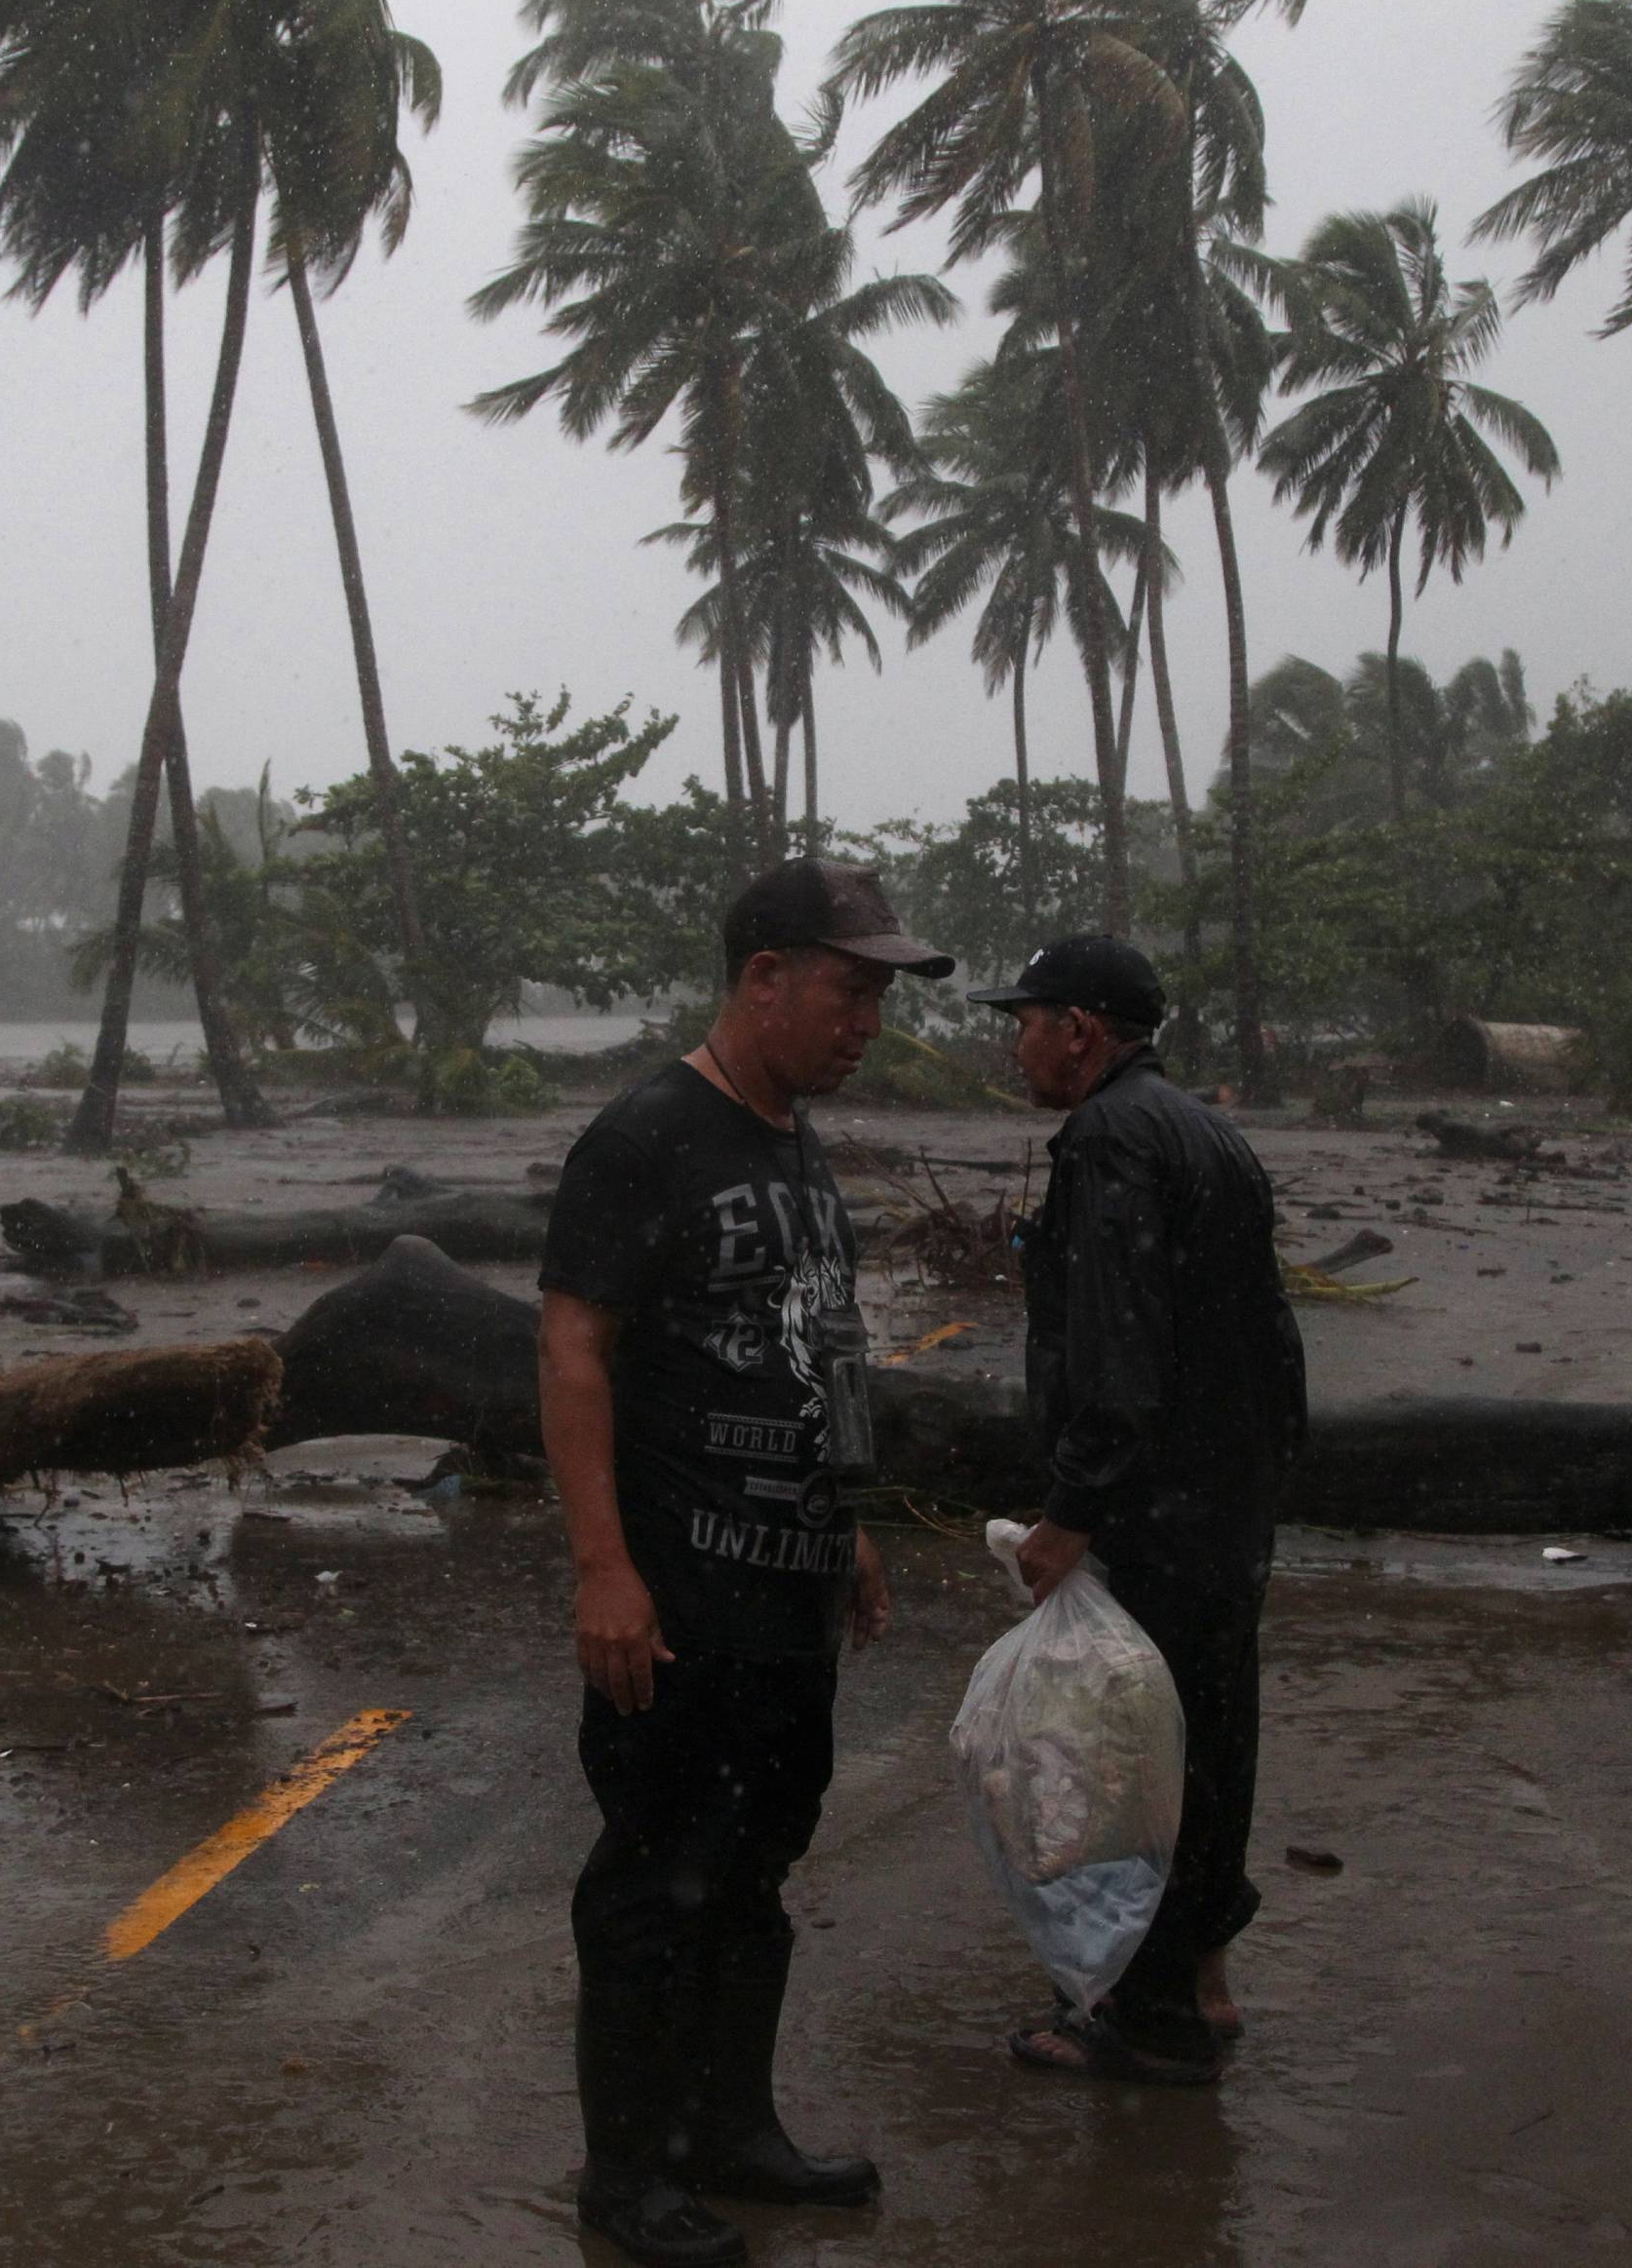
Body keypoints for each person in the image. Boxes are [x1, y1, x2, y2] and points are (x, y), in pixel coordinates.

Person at [537, 859, 954, 2268]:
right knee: (658, 1875)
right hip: (678, 1590)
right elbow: (574, 1346)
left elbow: (816, 1343)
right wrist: (604, 1564)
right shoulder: (646, 1135)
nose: (868, 1025)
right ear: (763, 976)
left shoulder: (793, 1144)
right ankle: (629, 2176)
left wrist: (847, 1524)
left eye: (881, 999)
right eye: (851, 991)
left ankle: (731, 2132)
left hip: (788, 1587)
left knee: (759, 1865)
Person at [967, 936, 1307, 2084]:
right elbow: (1267, 1332)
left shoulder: (1112, 1137)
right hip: (1223, 1497)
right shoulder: (1204, 1127)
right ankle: (1202, 1982)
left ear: (1081, 1029)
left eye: (1027, 1022)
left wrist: (1075, 1507)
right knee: (1210, 1738)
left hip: (1160, 1505)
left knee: (1139, 1759)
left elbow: (1120, 1348)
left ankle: (1148, 2016)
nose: (1016, 1044)